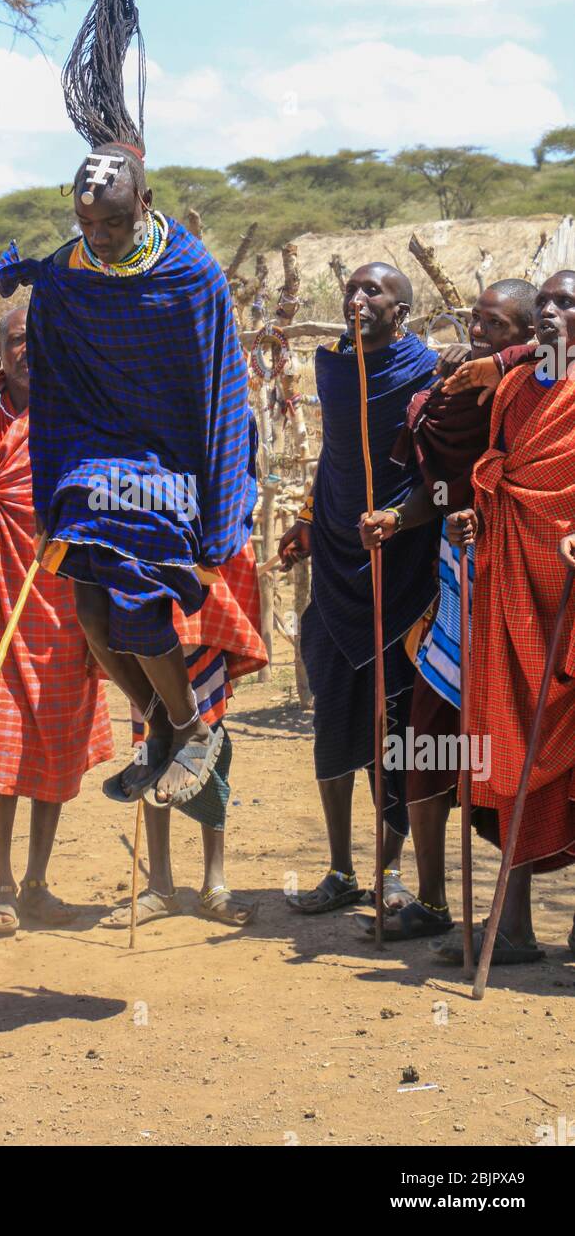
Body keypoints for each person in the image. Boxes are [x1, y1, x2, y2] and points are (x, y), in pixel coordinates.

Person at [0, 0, 256, 817]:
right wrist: (50, 485)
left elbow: (218, 387)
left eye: (114, 221)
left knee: (144, 608)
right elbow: (58, 385)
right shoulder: (66, 280)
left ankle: (198, 730)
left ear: (146, 202)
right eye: (87, 225)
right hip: (93, 464)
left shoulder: (189, 274)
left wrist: (220, 502)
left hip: (170, 466)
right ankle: (158, 727)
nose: (100, 237)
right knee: (95, 619)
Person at [0, 303, 114, 936]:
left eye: (37, 340)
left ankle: (38, 880)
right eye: (15, 341)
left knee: (55, 740)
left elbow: (103, 493)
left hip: (60, 595)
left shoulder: (79, 411)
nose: (26, 350)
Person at [357, 280, 536, 939]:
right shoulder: (456, 398)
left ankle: (518, 921)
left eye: (498, 325)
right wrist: (395, 516)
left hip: (531, 599)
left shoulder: (544, 402)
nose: (482, 334)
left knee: (527, 752)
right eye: (477, 321)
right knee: (427, 738)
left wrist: (487, 513)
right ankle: (432, 900)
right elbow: (438, 493)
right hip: (458, 595)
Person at [279, 265, 440, 915]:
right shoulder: (333, 370)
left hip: (401, 569)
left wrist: (398, 519)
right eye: (353, 289)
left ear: (403, 310)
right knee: (333, 722)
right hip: (340, 565)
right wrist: (311, 518)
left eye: (374, 292)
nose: (357, 300)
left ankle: (390, 870)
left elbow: (441, 471)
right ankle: (342, 869)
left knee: (392, 724)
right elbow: (337, 456)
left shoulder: (427, 374)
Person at [436, 270, 575, 964]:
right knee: (515, 752)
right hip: (515, 597)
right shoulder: (516, 387)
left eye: (565, 303)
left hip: (571, 605)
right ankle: (512, 925)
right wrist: (470, 515)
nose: (550, 313)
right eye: (544, 304)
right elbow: (497, 473)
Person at [102, 546, 268, 929]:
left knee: (208, 742)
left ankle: (215, 885)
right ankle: (160, 887)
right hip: (141, 613)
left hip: (198, 606)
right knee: (154, 745)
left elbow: (228, 527)